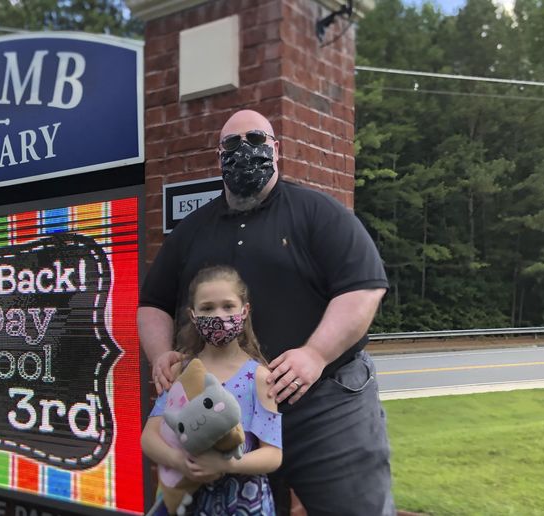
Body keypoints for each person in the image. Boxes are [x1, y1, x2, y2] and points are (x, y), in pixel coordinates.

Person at [139, 109, 395, 515]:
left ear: (276, 149)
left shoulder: (318, 213)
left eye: (256, 140)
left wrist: (315, 354)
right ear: (218, 156)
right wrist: (160, 356)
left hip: (326, 403)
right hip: (230, 414)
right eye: (232, 144)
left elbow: (363, 288)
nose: (245, 151)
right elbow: (151, 303)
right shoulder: (192, 230)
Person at [142, 265, 282, 515]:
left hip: (244, 504)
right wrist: (179, 462)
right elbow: (149, 438)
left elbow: (272, 454)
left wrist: (225, 464)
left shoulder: (259, 377)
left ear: (244, 310)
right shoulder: (181, 372)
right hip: (189, 500)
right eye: (207, 308)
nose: (219, 315)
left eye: (228, 306)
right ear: (193, 315)